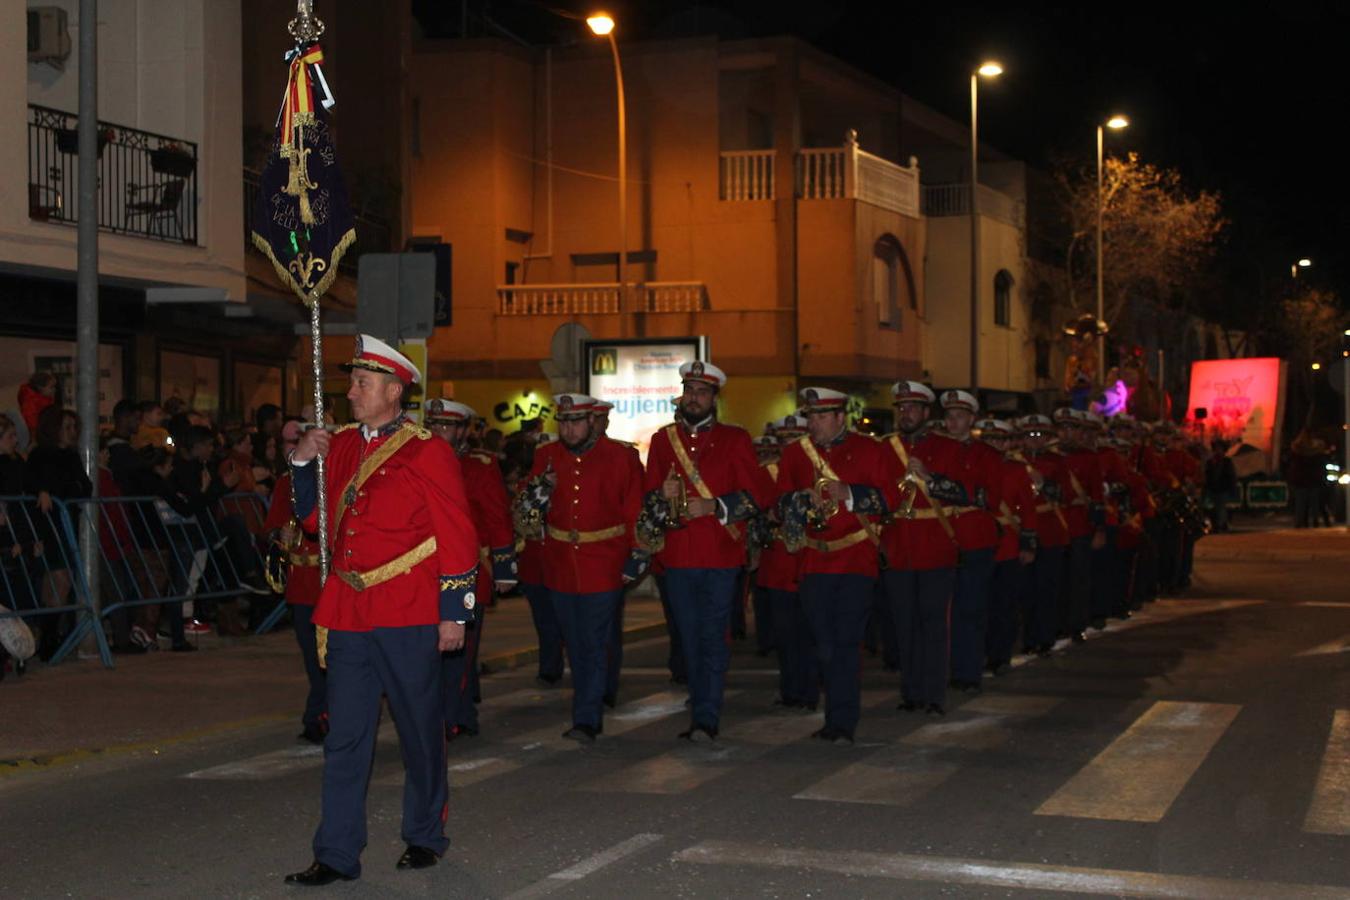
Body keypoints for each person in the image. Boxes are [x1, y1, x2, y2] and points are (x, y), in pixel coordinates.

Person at [284, 335, 480, 886]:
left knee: (419, 729)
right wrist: (302, 460)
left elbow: (457, 535)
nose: (350, 393)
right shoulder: (341, 444)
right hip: (349, 611)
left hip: (410, 611)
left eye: (361, 384)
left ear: (393, 391)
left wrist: (454, 613)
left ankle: (424, 834)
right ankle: (337, 853)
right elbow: (311, 522)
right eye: (351, 382)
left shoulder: (427, 451)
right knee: (344, 736)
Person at [640, 362, 774, 740]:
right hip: (678, 556)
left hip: (719, 555)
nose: (693, 398)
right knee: (688, 637)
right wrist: (659, 496)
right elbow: (648, 501)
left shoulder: (735, 439)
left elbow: (755, 498)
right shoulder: (664, 440)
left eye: (701, 392)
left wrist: (716, 506)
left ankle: (706, 716)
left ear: (715, 398)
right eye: (689, 391)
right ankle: (700, 704)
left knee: (713, 637)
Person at [776, 387, 899, 743]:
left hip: (855, 559)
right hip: (814, 561)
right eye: (810, 417)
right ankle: (834, 715)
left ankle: (842, 721)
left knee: (845, 643)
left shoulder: (870, 450)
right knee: (824, 643)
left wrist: (850, 493)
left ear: (840, 418)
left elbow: (890, 498)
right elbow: (777, 505)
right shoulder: (796, 453)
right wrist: (799, 499)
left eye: (821, 417)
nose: (813, 424)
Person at [522, 394, 645, 744]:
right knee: (574, 642)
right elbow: (527, 510)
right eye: (563, 421)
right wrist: (535, 497)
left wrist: (637, 554)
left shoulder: (621, 457)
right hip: (560, 563)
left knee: (591, 642)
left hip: (604, 562)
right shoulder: (546, 456)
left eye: (575, 421)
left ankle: (587, 718)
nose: (568, 428)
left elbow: (633, 509)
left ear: (592, 421)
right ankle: (590, 703)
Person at [426, 398, 517, 739]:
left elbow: (496, 516)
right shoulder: (416, 459)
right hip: (424, 573)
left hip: (468, 573)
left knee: (460, 651)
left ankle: (454, 715)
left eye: (446, 426)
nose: (437, 432)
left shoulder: (479, 465)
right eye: (433, 425)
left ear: (462, 430)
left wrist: (505, 567)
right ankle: (452, 711)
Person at [879, 382, 959, 716]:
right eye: (901, 408)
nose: (906, 413)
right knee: (904, 625)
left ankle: (934, 694)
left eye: (913, 408)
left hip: (935, 547)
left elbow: (964, 492)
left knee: (934, 624)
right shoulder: (884, 449)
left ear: (927, 413)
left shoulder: (948, 448)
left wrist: (931, 477)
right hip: (898, 548)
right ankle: (911, 692)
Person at [929, 391, 1001, 693]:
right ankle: (937, 671)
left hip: (975, 539)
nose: (953, 421)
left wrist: (947, 487)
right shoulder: (933, 449)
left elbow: (990, 495)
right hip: (940, 538)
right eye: (949, 415)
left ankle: (967, 671)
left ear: (972, 419)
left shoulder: (986, 454)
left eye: (959, 415)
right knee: (936, 612)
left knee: (970, 610)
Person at [262, 467, 326, 743]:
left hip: (331, 583)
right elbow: (272, 528)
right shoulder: (286, 483)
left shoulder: (335, 476)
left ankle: (319, 715)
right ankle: (320, 713)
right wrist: (279, 537)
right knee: (313, 658)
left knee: (332, 657)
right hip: (301, 585)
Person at [25, 406, 92, 661]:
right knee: (58, 579)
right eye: (67, 427)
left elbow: (84, 487)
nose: (73, 432)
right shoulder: (41, 455)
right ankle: (49, 637)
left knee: (60, 582)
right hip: (47, 526)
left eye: (74, 427)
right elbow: (34, 485)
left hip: (65, 523)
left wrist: (60, 491)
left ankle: (51, 636)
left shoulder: (72, 457)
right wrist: (45, 491)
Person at [975, 418, 1036, 675]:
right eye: (988, 439)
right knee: (978, 605)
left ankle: (1000, 655)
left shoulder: (1016, 469)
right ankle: (979, 653)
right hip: (977, 543)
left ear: (1008, 442)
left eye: (999, 439)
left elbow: (1029, 510)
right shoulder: (972, 466)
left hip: (1007, 545)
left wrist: (1028, 544)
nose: (993, 444)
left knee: (1004, 605)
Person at [1014, 414, 1070, 656]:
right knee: (1025, 590)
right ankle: (1029, 637)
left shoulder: (1057, 462)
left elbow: (1064, 493)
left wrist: (1043, 482)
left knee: (1047, 588)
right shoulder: (1015, 461)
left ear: (1047, 438)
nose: (1034, 440)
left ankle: (1045, 636)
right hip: (1021, 529)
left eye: (1039, 435)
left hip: (1049, 530)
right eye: (1029, 435)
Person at [1204, 439, 1238, 533]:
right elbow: (1207, 474)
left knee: (1221, 508)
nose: (1218, 451)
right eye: (1216, 449)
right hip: (1212, 488)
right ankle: (1215, 524)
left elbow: (1231, 476)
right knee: (1212, 508)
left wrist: (1232, 488)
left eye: (1220, 449)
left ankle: (1220, 525)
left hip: (1222, 488)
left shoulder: (1227, 462)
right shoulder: (1210, 462)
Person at [18, 372, 57, 438]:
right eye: (51, 387)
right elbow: (32, 425)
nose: (54, 390)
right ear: (40, 388)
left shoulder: (45, 398)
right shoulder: (30, 401)